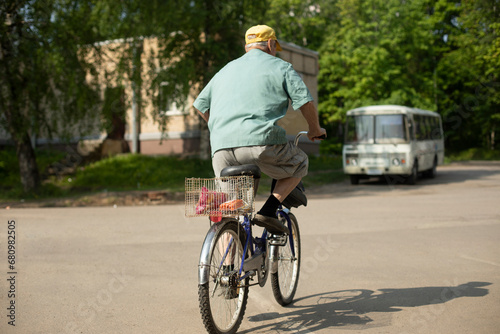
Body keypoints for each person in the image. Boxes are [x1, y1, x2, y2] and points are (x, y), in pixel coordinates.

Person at [193, 24, 326, 235]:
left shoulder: (226, 69)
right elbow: (304, 102)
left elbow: (200, 105)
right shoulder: (281, 67)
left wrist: (218, 128)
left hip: (221, 149)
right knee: (300, 163)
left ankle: (227, 266)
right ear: (271, 44)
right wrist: (314, 129)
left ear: (247, 46)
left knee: (232, 210)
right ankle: (269, 210)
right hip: (260, 144)